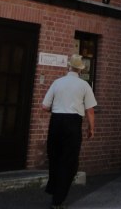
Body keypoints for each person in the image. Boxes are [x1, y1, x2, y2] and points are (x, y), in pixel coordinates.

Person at [41, 54, 97, 209]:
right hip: (73, 123)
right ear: (80, 69)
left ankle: (53, 190)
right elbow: (90, 110)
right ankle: (58, 199)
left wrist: (58, 111)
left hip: (56, 121)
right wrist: (91, 128)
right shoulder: (84, 85)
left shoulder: (57, 82)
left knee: (55, 156)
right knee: (70, 161)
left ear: (69, 66)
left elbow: (44, 106)